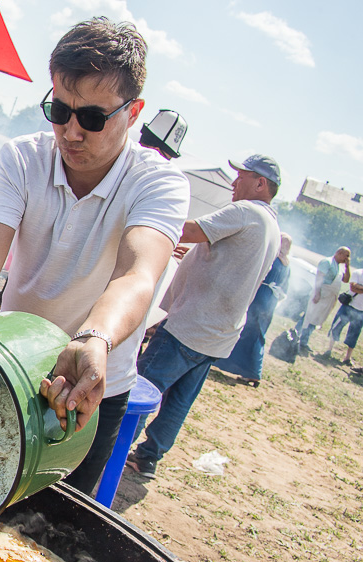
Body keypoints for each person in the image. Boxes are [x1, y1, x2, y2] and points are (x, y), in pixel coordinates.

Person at [0, 17, 190, 495]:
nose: (71, 132)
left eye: (92, 118)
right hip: (12, 367)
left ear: (133, 112)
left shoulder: (158, 182)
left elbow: (137, 275)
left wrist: (93, 339)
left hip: (91, 385)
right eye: (59, 110)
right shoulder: (22, 159)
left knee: (50, 527)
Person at [127, 154, 282, 479]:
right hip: (218, 333)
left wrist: (144, 219)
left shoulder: (246, 211)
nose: (234, 182)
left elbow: (187, 229)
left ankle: (112, 447)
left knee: (140, 388)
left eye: (241, 176)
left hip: (190, 325)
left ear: (260, 183)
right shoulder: (272, 227)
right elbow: (231, 260)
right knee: (179, 401)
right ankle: (148, 458)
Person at [213, 233, 292, 386]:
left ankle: (250, 371)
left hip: (260, 297)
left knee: (248, 332)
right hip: (270, 301)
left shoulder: (274, 259)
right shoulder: (287, 265)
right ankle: (250, 371)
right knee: (257, 334)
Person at [296, 246, 352, 352]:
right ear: (340, 253)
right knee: (309, 316)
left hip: (328, 297)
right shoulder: (327, 262)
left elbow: (346, 280)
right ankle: (296, 336)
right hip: (321, 293)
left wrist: (347, 266)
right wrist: (317, 293)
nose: (347, 258)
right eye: (346, 256)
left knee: (316, 319)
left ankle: (304, 341)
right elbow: (319, 277)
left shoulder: (340, 267)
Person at [325, 266, 363, 364]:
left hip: (361, 311)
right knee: (336, 327)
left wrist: (359, 287)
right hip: (349, 306)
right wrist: (357, 288)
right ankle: (329, 350)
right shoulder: (358, 273)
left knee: (354, 334)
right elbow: (353, 288)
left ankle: (347, 358)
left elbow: (356, 288)